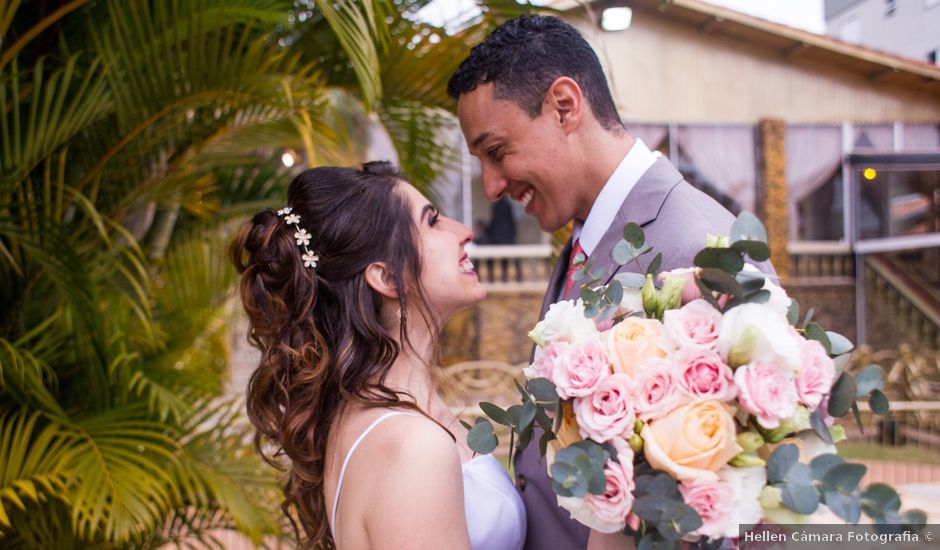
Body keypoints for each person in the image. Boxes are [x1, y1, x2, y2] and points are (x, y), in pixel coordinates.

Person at [448, 14, 773, 550]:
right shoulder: (589, 234)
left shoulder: (699, 249)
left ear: (564, 106)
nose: (493, 184)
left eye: (497, 152)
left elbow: (737, 505)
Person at [230, 161, 526, 549]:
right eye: (433, 222)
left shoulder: (368, 415)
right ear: (386, 277)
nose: (464, 232)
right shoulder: (413, 447)